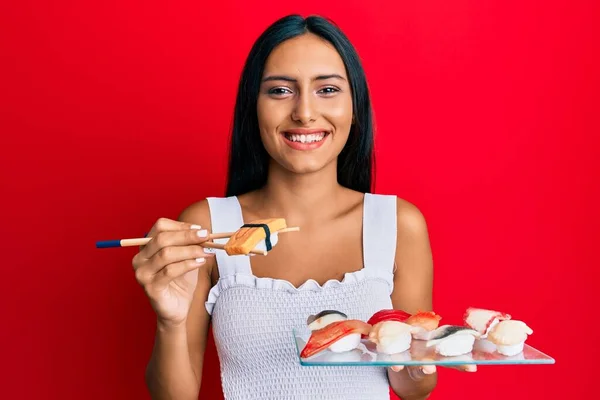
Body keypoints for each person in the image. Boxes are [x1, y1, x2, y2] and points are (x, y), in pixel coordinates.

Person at [132, 14, 474, 400]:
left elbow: (415, 389)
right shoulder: (207, 227)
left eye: (327, 89)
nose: (305, 113)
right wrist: (169, 321)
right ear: (253, 107)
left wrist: (420, 354)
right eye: (280, 91)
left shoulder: (398, 224)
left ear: (354, 106)